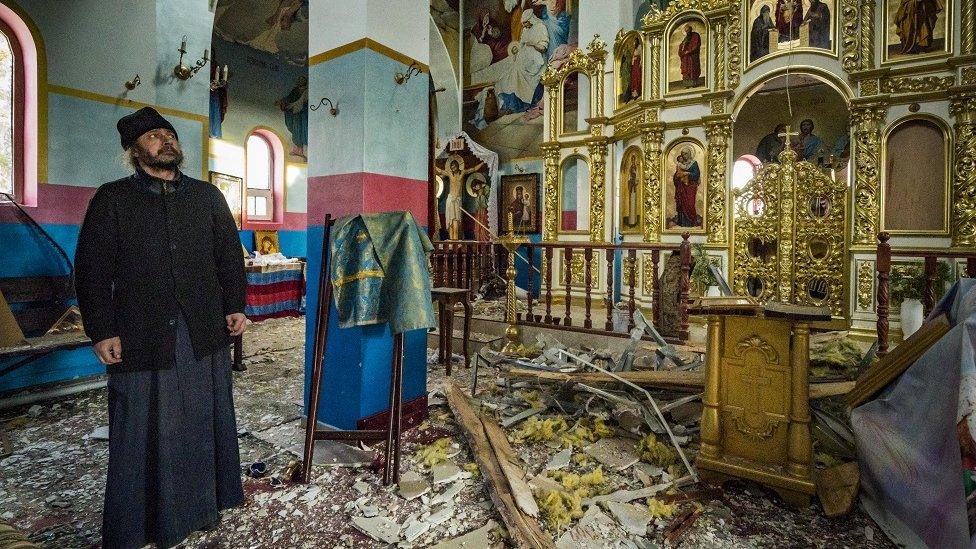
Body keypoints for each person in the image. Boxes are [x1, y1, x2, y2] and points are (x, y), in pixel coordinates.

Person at [75, 107, 246, 549]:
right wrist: (101, 330)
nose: (165, 141)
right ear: (134, 151)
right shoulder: (111, 199)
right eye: (153, 136)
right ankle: (140, 526)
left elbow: (229, 255)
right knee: (142, 428)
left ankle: (203, 507)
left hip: (202, 329)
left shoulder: (207, 197)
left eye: (169, 134)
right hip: (140, 334)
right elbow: (92, 270)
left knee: (201, 419)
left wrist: (236, 306)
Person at [495, 9, 550, 114]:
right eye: (523, 24)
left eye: (526, 23)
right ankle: (513, 104)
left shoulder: (541, 27)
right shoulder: (525, 29)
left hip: (537, 60)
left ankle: (522, 103)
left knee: (518, 71)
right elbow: (521, 44)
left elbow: (543, 48)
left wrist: (532, 44)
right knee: (512, 72)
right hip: (526, 58)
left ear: (531, 19)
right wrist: (517, 54)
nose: (524, 26)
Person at [435, 158, 485, 240]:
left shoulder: (462, 172)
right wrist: (433, 164)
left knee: (457, 219)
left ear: (458, 166)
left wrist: (482, 162)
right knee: (450, 219)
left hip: (458, 199)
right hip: (450, 199)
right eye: (451, 167)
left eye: (454, 166)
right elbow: (440, 171)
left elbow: (474, 169)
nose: (453, 168)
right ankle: (451, 237)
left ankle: (457, 237)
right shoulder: (449, 173)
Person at [277, 75, 308, 160]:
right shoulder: (295, 90)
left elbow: (305, 103)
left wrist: (296, 106)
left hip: (302, 115)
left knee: (300, 132)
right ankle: (295, 150)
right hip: (295, 113)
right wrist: (282, 101)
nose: (300, 83)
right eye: (299, 81)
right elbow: (288, 98)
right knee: (294, 129)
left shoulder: (307, 92)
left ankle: (300, 151)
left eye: (302, 81)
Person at [672, 146, 701, 227]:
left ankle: (692, 222)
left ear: (689, 154)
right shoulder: (680, 165)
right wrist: (677, 177)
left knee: (690, 204)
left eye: (685, 154)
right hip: (681, 188)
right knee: (681, 204)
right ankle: (682, 223)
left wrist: (687, 173)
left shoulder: (694, 163)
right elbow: (676, 176)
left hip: (691, 187)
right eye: (682, 154)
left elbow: (696, 174)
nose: (684, 155)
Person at [677, 23, 702, 88]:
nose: (687, 31)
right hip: (685, 58)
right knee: (686, 69)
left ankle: (694, 83)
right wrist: (682, 52)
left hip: (692, 56)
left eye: (688, 30)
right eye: (686, 31)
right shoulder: (685, 38)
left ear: (691, 29)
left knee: (693, 69)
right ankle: (687, 84)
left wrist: (688, 51)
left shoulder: (695, 35)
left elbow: (696, 45)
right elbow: (681, 46)